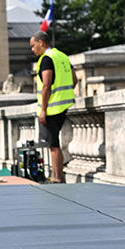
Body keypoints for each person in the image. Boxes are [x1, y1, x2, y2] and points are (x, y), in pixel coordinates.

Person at [29, 32, 77, 183]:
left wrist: (43, 109)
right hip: (63, 105)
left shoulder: (46, 59)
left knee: (53, 145)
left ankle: (57, 177)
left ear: (41, 43)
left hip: (51, 108)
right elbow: (74, 79)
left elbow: (46, 85)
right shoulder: (62, 56)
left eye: (33, 45)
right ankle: (57, 176)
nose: (32, 49)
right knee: (54, 143)